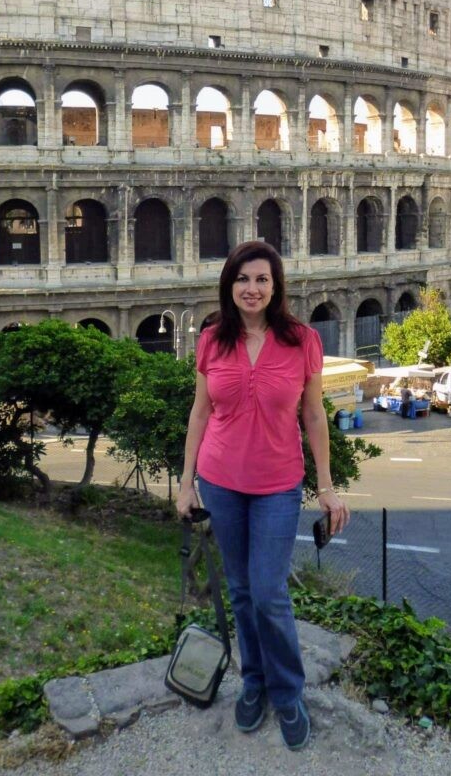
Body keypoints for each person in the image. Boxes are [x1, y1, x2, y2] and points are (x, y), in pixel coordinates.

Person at [177, 241, 350, 751]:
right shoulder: (212, 339)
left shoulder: (302, 341)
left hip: (277, 484)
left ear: (276, 288)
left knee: (270, 592)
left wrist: (326, 486)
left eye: (261, 280)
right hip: (220, 481)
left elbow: (314, 415)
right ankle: (254, 682)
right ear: (229, 286)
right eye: (242, 280)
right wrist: (186, 483)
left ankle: (287, 691)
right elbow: (200, 414)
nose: (251, 289)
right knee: (242, 589)